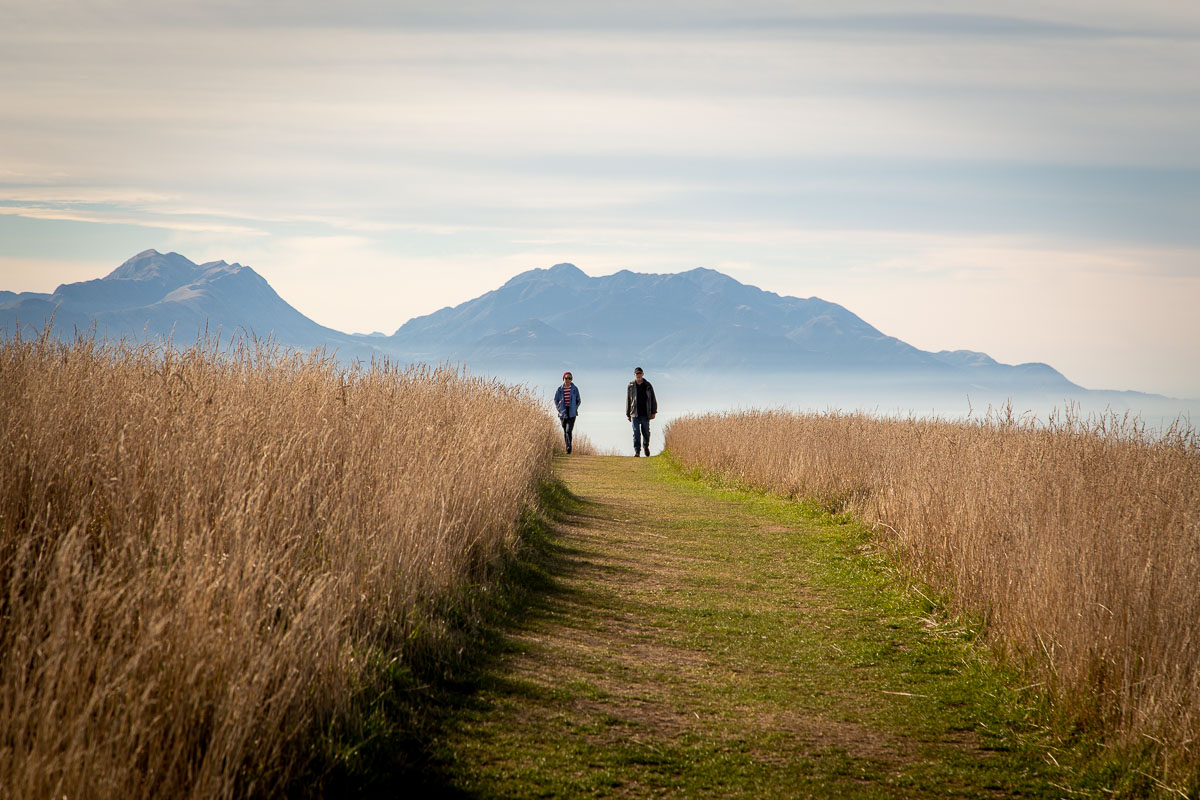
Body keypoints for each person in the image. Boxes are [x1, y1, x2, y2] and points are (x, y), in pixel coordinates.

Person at [625, 366, 657, 457]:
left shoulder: (648, 385)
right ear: (634, 375)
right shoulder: (630, 386)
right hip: (634, 413)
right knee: (636, 433)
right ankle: (637, 451)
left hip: (645, 413)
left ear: (642, 374)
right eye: (636, 374)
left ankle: (646, 446)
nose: (638, 375)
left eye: (640, 374)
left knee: (646, 432)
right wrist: (628, 413)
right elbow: (628, 400)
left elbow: (653, 399)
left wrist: (654, 412)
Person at [553, 371, 581, 454]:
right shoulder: (559, 389)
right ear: (563, 379)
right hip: (563, 412)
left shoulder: (575, 389)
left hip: (572, 412)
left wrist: (575, 407)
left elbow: (578, 400)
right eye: (566, 378)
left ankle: (569, 447)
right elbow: (556, 400)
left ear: (571, 379)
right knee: (565, 430)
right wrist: (559, 409)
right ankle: (567, 447)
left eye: (569, 378)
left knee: (569, 430)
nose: (568, 380)